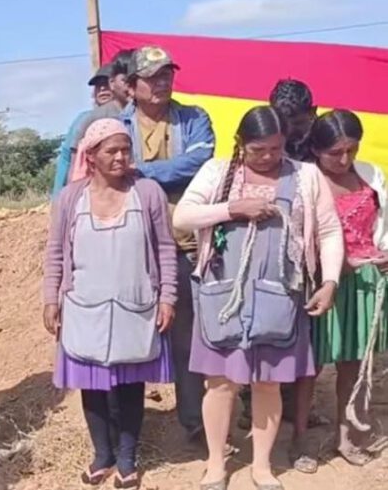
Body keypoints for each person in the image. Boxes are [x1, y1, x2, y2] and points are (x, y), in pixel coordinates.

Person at [174, 106, 342, 490]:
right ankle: (216, 465)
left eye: (275, 148)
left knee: (268, 384)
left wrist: (329, 281)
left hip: (278, 300)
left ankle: (261, 466)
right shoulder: (218, 173)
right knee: (219, 383)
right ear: (240, 144)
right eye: (257, 149)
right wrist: (233, 208)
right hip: (222, 298)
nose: (267, 157)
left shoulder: (306, 176)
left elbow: (329, 231)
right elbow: (182, 218)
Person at [43, 119, 176, 488]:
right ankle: (102, 454)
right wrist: (50, 299)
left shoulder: (147, 192)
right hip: (84, 306)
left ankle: (127, 458)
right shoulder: (71, 198)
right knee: (93, 386)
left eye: (125, 149)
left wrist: (167, 297)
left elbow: (166, 248)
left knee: (130, 385)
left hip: (136, 306)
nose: (120, 157)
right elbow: (55, 252)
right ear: (91, 155)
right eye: (111, 150)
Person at [118, 45, 216, 446]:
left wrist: (141, 172)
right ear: (130, 85)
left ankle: (193, 420)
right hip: (132, 250)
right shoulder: (114, 125)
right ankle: (128, 428)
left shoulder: (194, 118)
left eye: (166, 74)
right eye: (152, 76)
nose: (162, 82)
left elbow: (200, 162)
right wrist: (154, 175)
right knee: (132, 336)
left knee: (188, 336)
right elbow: (110, 173)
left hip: (185, 246)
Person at [291, 110, 385, 472]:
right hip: (320, 285)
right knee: (309, 366)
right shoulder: (304, 181)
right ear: (316, 149)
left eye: (351, 150)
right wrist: (332, 269)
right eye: (335, 152)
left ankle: (347, 436)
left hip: (365, 284)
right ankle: (300, 441)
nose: (344, 159)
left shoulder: (372, 176)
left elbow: (382, 225)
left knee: (354, 364)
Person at [237, 78, 324, 433]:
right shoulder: (261, 144)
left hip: (308, 253)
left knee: (303, 336)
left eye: (296, 125)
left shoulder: (321, 145)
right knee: (258, 328)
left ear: (312, 115)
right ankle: (250, 404)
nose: (287, 136)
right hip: (263, 254)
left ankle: (294, 406)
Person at [53, 49, 134, 196]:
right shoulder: (86, 119)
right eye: (98, 86)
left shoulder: (139, 113)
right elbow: (69, 161)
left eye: (105, 84)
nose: (103, 89)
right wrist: (60, 197)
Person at [270, 79, 317, 162]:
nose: (289, 131)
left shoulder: (327, 139)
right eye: (282, 123)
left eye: (297, 123)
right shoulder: (265, 135)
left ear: (312, 113)